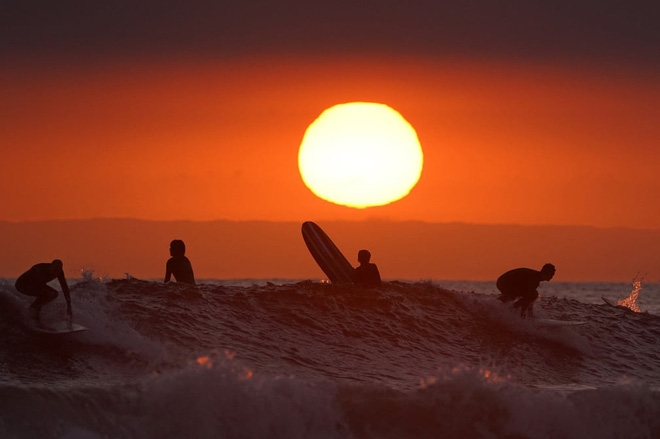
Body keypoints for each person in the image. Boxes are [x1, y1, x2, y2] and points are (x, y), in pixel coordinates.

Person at [15, 259, 72, 323]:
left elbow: (65, 288)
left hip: (34, 284)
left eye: (58, 270)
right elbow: (40, 288)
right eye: (54, 270)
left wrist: (69, 307)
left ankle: (33, 311)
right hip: (21, 285)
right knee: (46, 294)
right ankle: (32, 312)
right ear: (51, 266)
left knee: (54, 294)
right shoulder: (41, 270)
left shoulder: (59, 272)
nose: (55, 272)